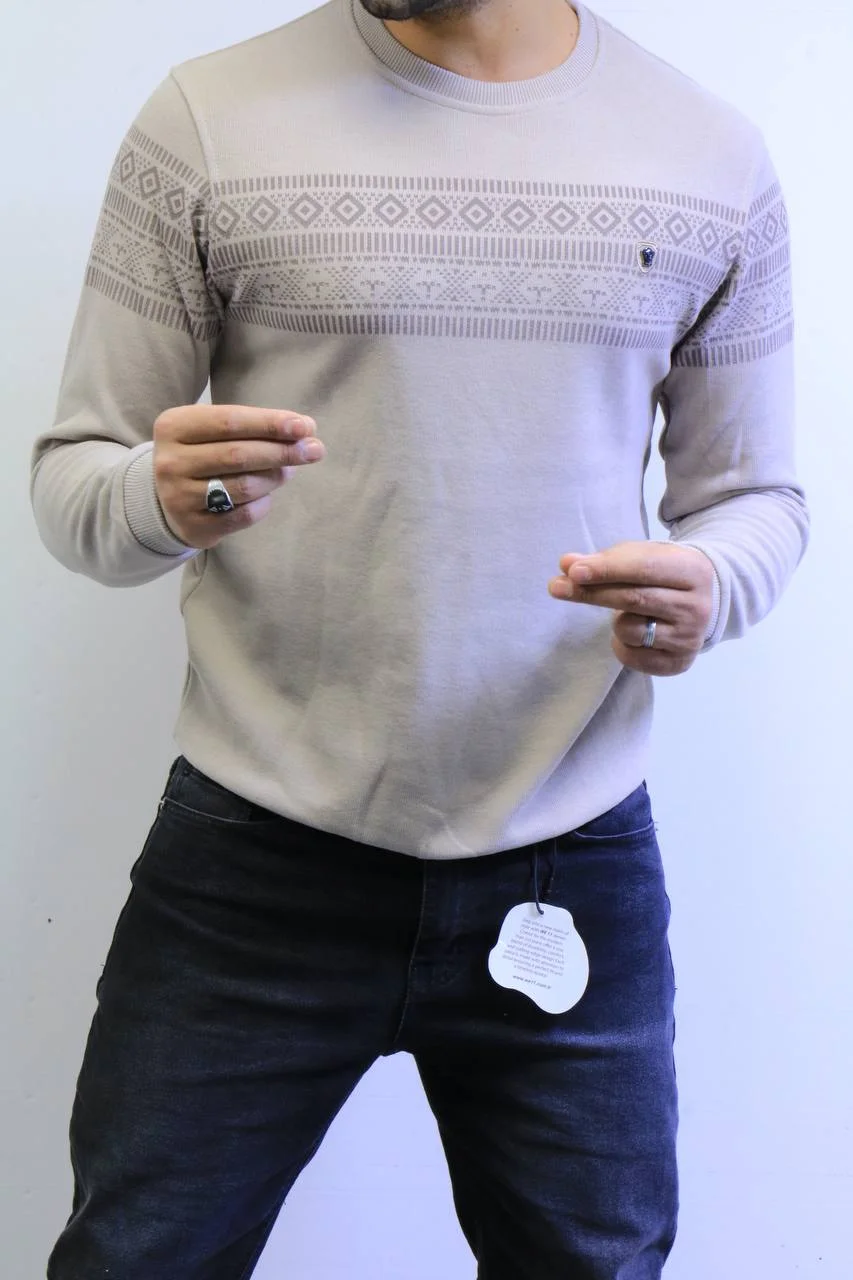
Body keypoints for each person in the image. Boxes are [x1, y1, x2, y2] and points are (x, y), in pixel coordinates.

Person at [30, 0, 809, 1275]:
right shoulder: (205, 121)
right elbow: (76, 480)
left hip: (570, 849)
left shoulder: (708, 155)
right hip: (252, 856)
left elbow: (755, 498)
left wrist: (709, 584)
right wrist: (157, 497)